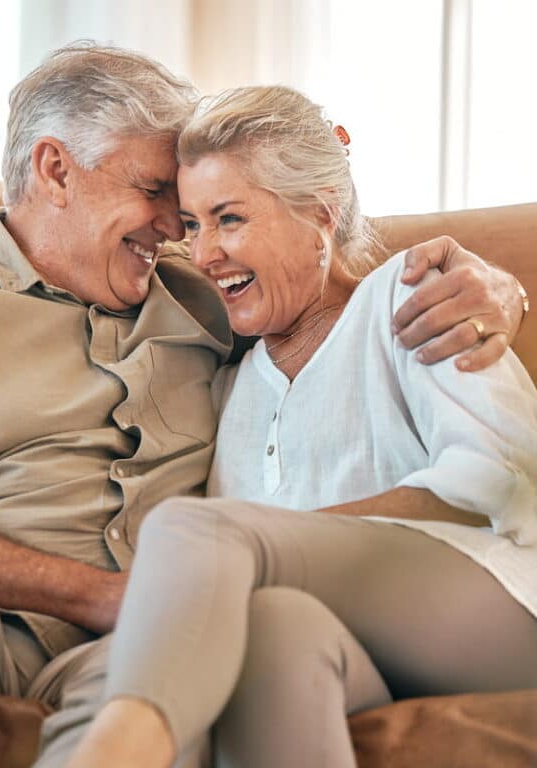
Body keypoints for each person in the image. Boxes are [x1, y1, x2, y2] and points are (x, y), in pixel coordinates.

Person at [0, 45, 527, 768]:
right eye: (155, 192)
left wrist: (497, 288)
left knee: (224, 645)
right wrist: (104, 596)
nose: (182, 232)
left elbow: (319, 276)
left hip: (148, 647)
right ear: (55, 170)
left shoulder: (208, 299)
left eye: (198, 215)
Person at [67, 86, 537, 768]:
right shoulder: (229, 383)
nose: (203, 255)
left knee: (196, 531)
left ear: (320, 211)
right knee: (274, 629)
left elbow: (502, 484)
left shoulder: (409, 298)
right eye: (193, 226)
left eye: (229, 218)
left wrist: (268, 546)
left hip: (499, 612)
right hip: (364, 648)